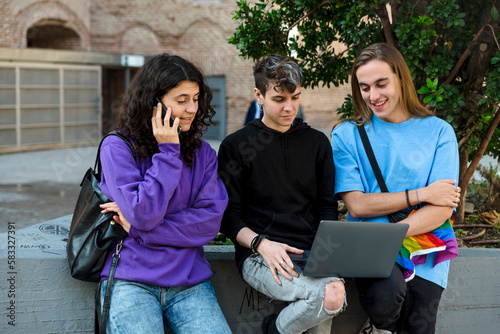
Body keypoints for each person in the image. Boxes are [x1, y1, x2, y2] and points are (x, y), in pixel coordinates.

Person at [331, 43, 461, 334]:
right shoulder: (347, 135)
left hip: (426, 247)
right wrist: (421, 194)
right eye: (364, 87)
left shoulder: (439, 132)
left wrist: (392, 232)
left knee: (419, 327)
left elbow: (441, 208)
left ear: (401, 79)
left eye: (381, 84)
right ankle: (379, 328)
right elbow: (357, 205)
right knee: (384, 296)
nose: (373, 96)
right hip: (370, 246)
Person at [97, 53, 231, 334]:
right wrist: (168, 151)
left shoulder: (203, 154)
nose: (192, 108)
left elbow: (209, 223)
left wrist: (141, 231)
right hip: (130, 280)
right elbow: (144, 213)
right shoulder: (117, 148)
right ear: (153, 102)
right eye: (181, 100)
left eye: (196, 98)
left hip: (189, 281)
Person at [218, 54, 346, 334]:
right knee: (330, 295)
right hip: (259, 255)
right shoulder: (236, 146)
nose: (289, 108)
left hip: (313, 253)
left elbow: (326, 206)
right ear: (258, 96)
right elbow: (228, 217)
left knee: (331, 292)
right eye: (279, 99)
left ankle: (274, 330)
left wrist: (326, 254)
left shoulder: (317, 143)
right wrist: (261, 244)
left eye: (295, 98)